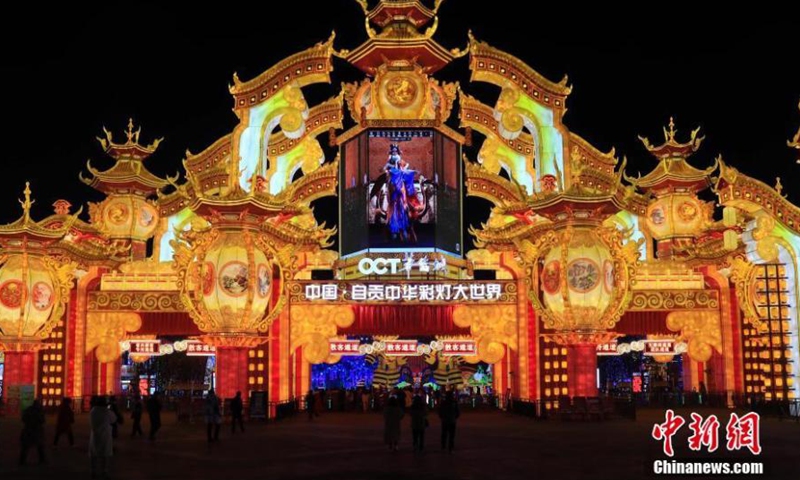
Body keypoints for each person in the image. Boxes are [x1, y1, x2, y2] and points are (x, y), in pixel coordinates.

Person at [89, 396, 117, 479]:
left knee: (94, 453)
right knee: (105, 454)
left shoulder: (93, 411)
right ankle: (104, 471)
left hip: (94, 434)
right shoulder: (107, 411)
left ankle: (93, 470)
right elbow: (114, 419)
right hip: (105, 434)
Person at [19, 399, 46, 465]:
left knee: (26, 446)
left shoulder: (28, 410)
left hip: (28, 430)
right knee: (40, 446)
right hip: (36, 430)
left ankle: (22, 460)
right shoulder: (39, 411)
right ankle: (42, 460)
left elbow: (23, 419)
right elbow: (42, 420)